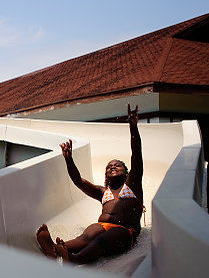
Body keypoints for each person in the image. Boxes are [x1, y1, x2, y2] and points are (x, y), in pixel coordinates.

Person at [36, 104, 144, 264]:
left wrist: (133, 127)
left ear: (126, 172)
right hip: (103, 225)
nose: (112, 166)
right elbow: (78, 181)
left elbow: (136, 155)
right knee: (87, 235)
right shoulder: (103, 192)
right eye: (109, 166)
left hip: (125, 231)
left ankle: (73, 258)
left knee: (102, 240)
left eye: (117, 165)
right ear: (106, 174)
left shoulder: (132, 185)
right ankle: (54, 248)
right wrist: (68, 159)